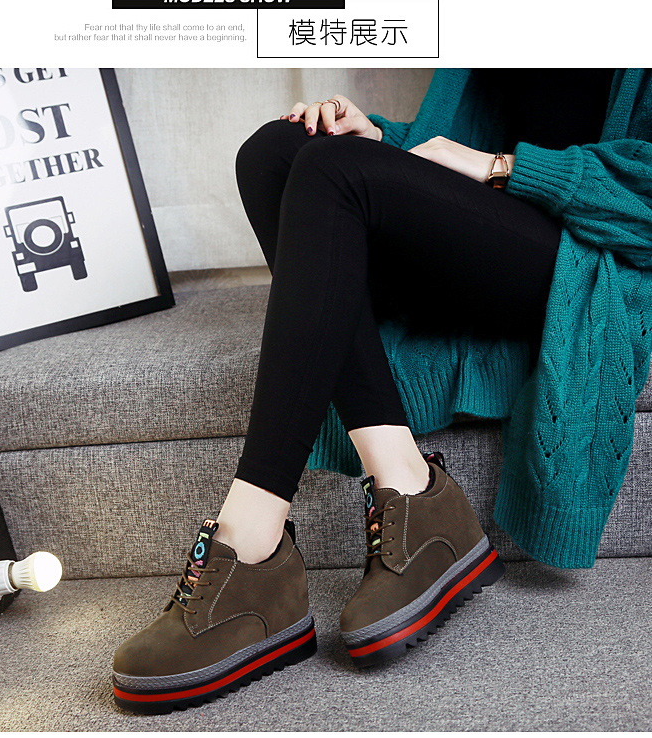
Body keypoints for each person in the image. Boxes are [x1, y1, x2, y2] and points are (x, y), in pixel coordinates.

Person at [112, 69, 652, 714]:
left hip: (595, 248)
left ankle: (251, 543)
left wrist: (500, 167)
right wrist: (383, 142)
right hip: (495, 223)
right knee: (276, 152)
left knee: (335, 173)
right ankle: (409, 487)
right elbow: (468, 143)